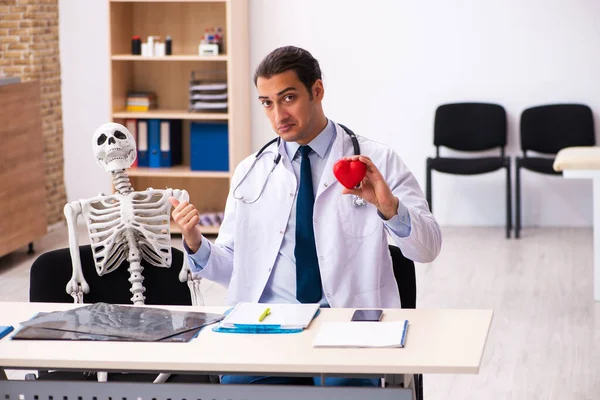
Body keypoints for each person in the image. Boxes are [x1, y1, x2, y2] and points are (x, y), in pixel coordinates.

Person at [170, 46, 442, 387]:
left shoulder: (377, 161)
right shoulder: (250, 172)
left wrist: (390, 209)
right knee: (236, 388)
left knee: (345, 391)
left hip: (345, 327)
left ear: (317, 91)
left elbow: (428, 248)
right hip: (267, 328)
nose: (277, 114)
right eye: (267, 103)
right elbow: (233, 269)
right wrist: (196, 244)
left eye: (287, 98)